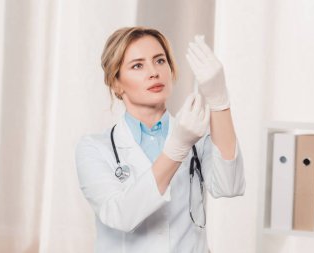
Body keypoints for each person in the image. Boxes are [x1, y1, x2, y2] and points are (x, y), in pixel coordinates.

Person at [75, 26, 245, 253]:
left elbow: (229, 185)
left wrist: (218, 99)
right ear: (116, 83)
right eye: (137, 65)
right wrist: (177, 147)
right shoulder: (94, 148)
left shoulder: (195, 135)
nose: (153, 72)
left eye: (160, 61)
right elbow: (121, 215)